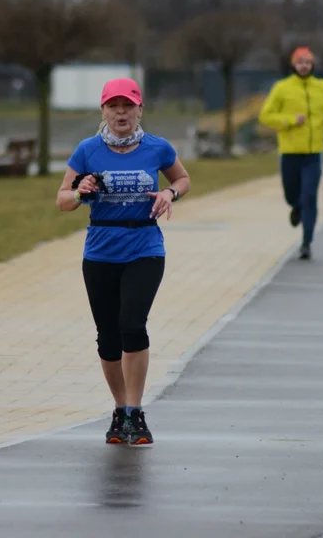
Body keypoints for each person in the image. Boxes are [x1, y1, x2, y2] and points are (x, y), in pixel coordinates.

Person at [56, 77, 191, 446]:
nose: (121, 112)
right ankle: (119, 410)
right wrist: (80, 191)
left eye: (128, 105)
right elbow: (62, 199)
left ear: (139, 109)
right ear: (103, 111)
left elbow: (182, 178)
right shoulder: (87, 150)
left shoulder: (157, 147)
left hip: (144, 246)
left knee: (132, 324)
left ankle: (136, 411)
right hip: (99, 250)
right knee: (108, 337)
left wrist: (169, 192)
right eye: (113, 106)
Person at [258, 46, 323, 260]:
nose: (304, 66)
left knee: (310, 196)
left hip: (314, 152)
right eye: (300, 62)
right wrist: (288, 121)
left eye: (307, 62)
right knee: (291, 195)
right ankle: (296, 207)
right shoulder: (282, 88)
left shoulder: (322, 86)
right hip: (290, 152)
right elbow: (266, 116)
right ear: (293, 65)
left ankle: (307, 242)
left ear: (312, 64)